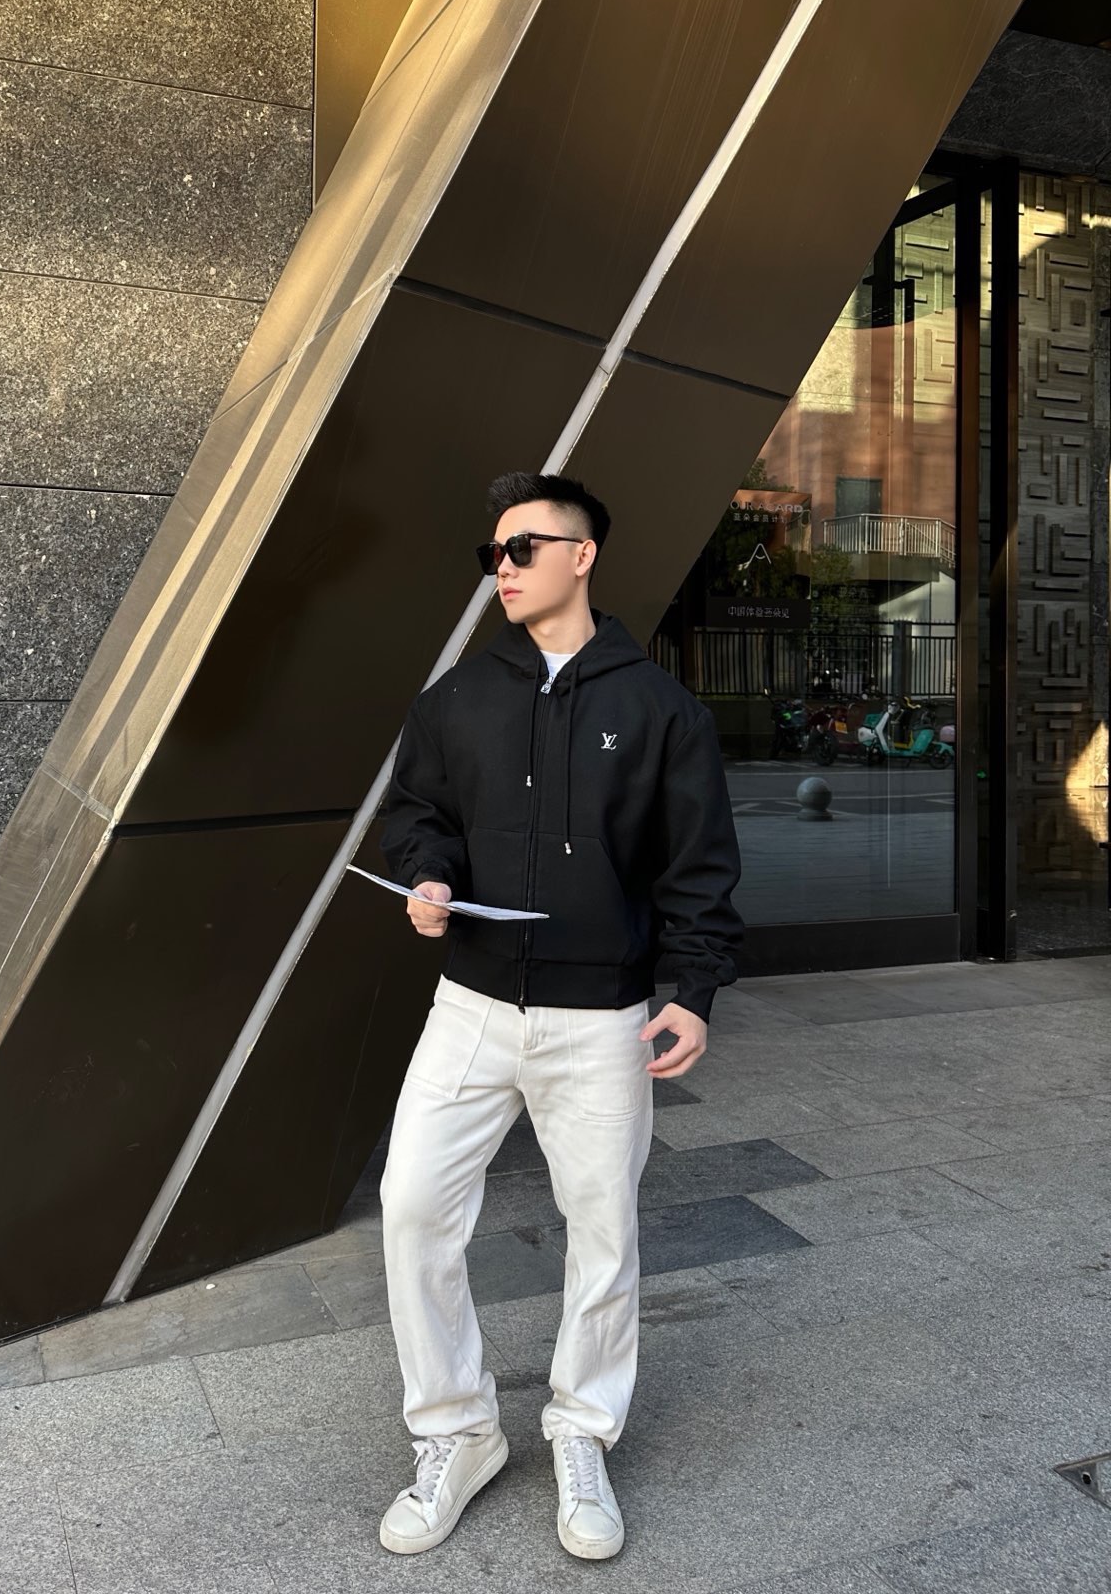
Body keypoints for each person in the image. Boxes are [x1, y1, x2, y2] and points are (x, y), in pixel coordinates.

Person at [375, 470, 743, 1561]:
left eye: (523, 548)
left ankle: (583, 1431)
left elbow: (698, 865)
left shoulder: (661, 709)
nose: (503, 568)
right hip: (470, 1008)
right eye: (492, 553)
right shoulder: (456, 698)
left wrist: (693, 991)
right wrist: (429, 880)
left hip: (602, 1020)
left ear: (582, 556)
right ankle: (456, 1433)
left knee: (603, 1230)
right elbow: (418, 814)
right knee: (411, 1207)